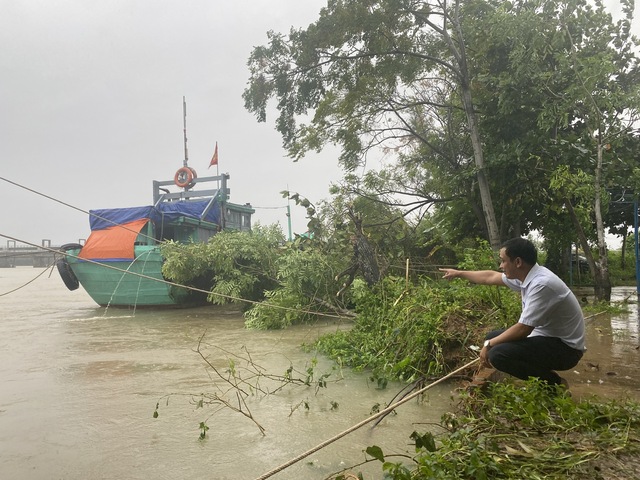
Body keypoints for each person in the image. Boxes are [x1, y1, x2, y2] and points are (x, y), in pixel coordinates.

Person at [439, 237, 585, 387]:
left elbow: (523, 329)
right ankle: (542, 374)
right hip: (549, 338)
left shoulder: (542, 284)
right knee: (493, 337)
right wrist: (458, 273)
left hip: (567, 350)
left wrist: (488, 345)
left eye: (503, 261)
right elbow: (490, 277)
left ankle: (554, 384)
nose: (501, 266)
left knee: (498, 354)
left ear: (518, 262)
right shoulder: (526, 275)